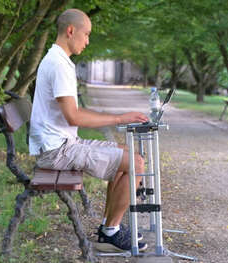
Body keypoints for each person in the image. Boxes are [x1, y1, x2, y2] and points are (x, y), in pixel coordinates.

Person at [29, 8, 149, 253]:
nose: (88, 40)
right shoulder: (59, 65)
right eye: (86, 34)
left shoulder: (57, 60)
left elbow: (70, 115)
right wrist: (118, 118)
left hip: (61, 144)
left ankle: (108, 227)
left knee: (128, 153)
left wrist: (119, 118)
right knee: (136, 163)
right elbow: (73, 115)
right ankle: (111, 230)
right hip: (58, 151)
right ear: (71, 31)